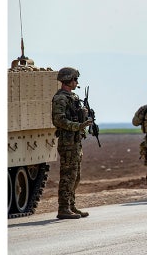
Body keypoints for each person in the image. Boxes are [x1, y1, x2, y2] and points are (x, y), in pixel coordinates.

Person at [51, 67, 93, 219]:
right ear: (68, 80)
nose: (77, 82)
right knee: (67, 176)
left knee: (75, 176)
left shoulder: (73, 97)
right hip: (67, 143)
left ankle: (71, 205)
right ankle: (63, 208)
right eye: (75, 79)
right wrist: (78, 126)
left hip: (75, 142)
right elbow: (58, 120)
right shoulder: (60, 98)